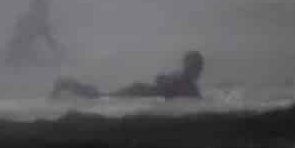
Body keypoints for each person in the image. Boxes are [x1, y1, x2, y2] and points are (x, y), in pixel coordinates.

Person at [51, 50, 204, 100]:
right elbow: (163, 82)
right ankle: (66, 83)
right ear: (192, 67)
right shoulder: (184, 81)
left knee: (102, 96)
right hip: (137, 92)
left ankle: (67, 83)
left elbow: (160, 79)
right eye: (198, 67)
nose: (200, 71)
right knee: (101, 98)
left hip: (139, 90)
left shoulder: (183, 78)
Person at [5, 0, 64, 65]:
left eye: (45, 9)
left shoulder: (43, 24)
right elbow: (19, 39)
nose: (45, 13)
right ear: (35, 9)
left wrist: (59, 51)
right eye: (43, 9)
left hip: (28, 53)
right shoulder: (26, 20)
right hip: (17, 52)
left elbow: (50, 41)